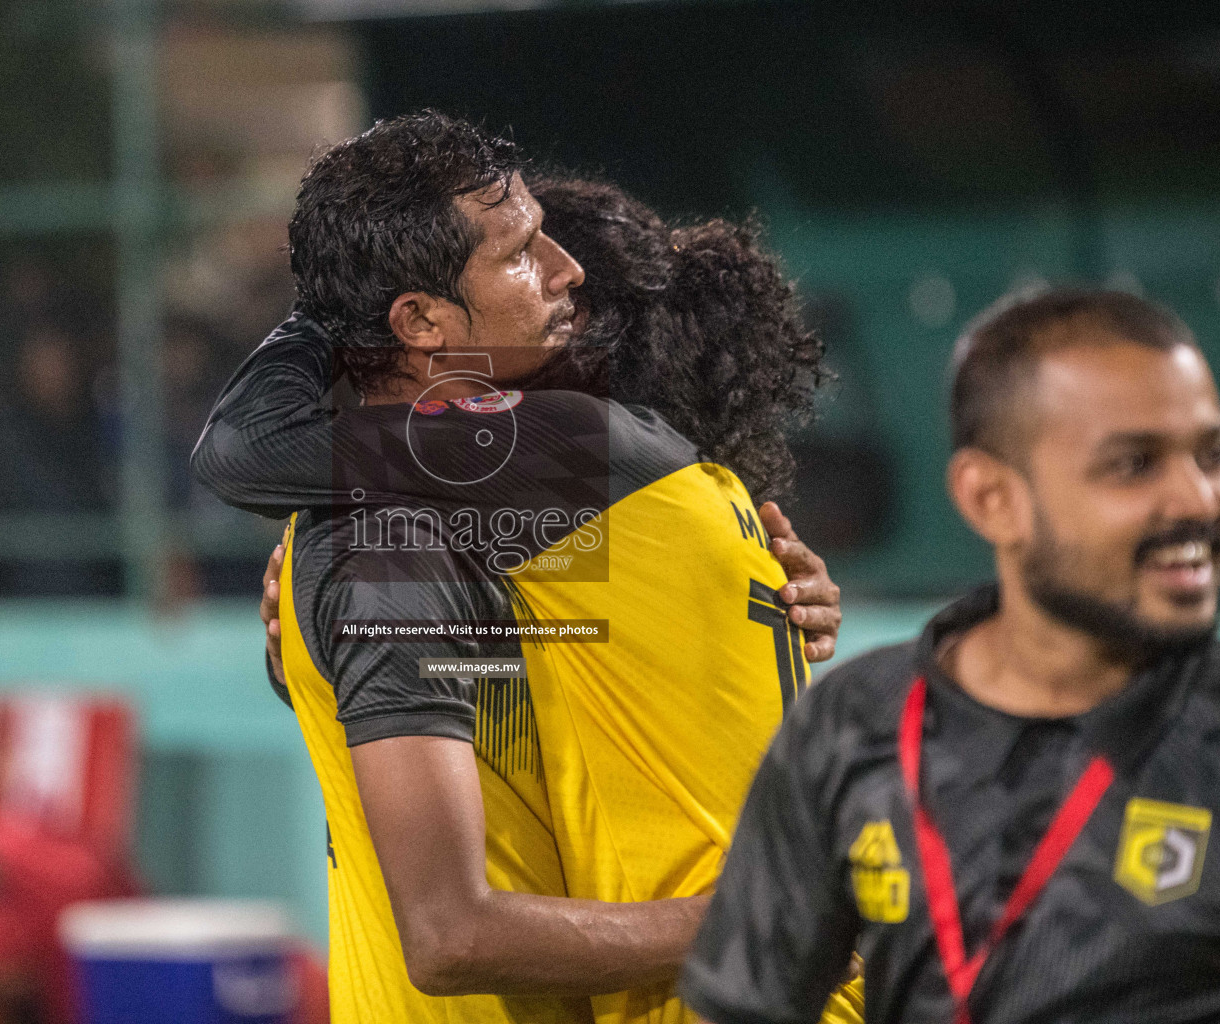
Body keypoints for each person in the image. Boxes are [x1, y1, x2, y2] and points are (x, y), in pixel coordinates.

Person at [195, 113, 859, 1024]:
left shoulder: (524, 469)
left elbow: (242, 448)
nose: (561, 274)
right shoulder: (658, 504)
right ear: (424, 318)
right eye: (520, 254)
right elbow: (478, 704)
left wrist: (329, 307)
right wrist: (302, 659)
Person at [681, 288, 1220, 1024]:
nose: (1197, 499)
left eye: (1214, 454)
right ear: (991, 500)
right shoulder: (851, 726)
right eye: (1135, 465)